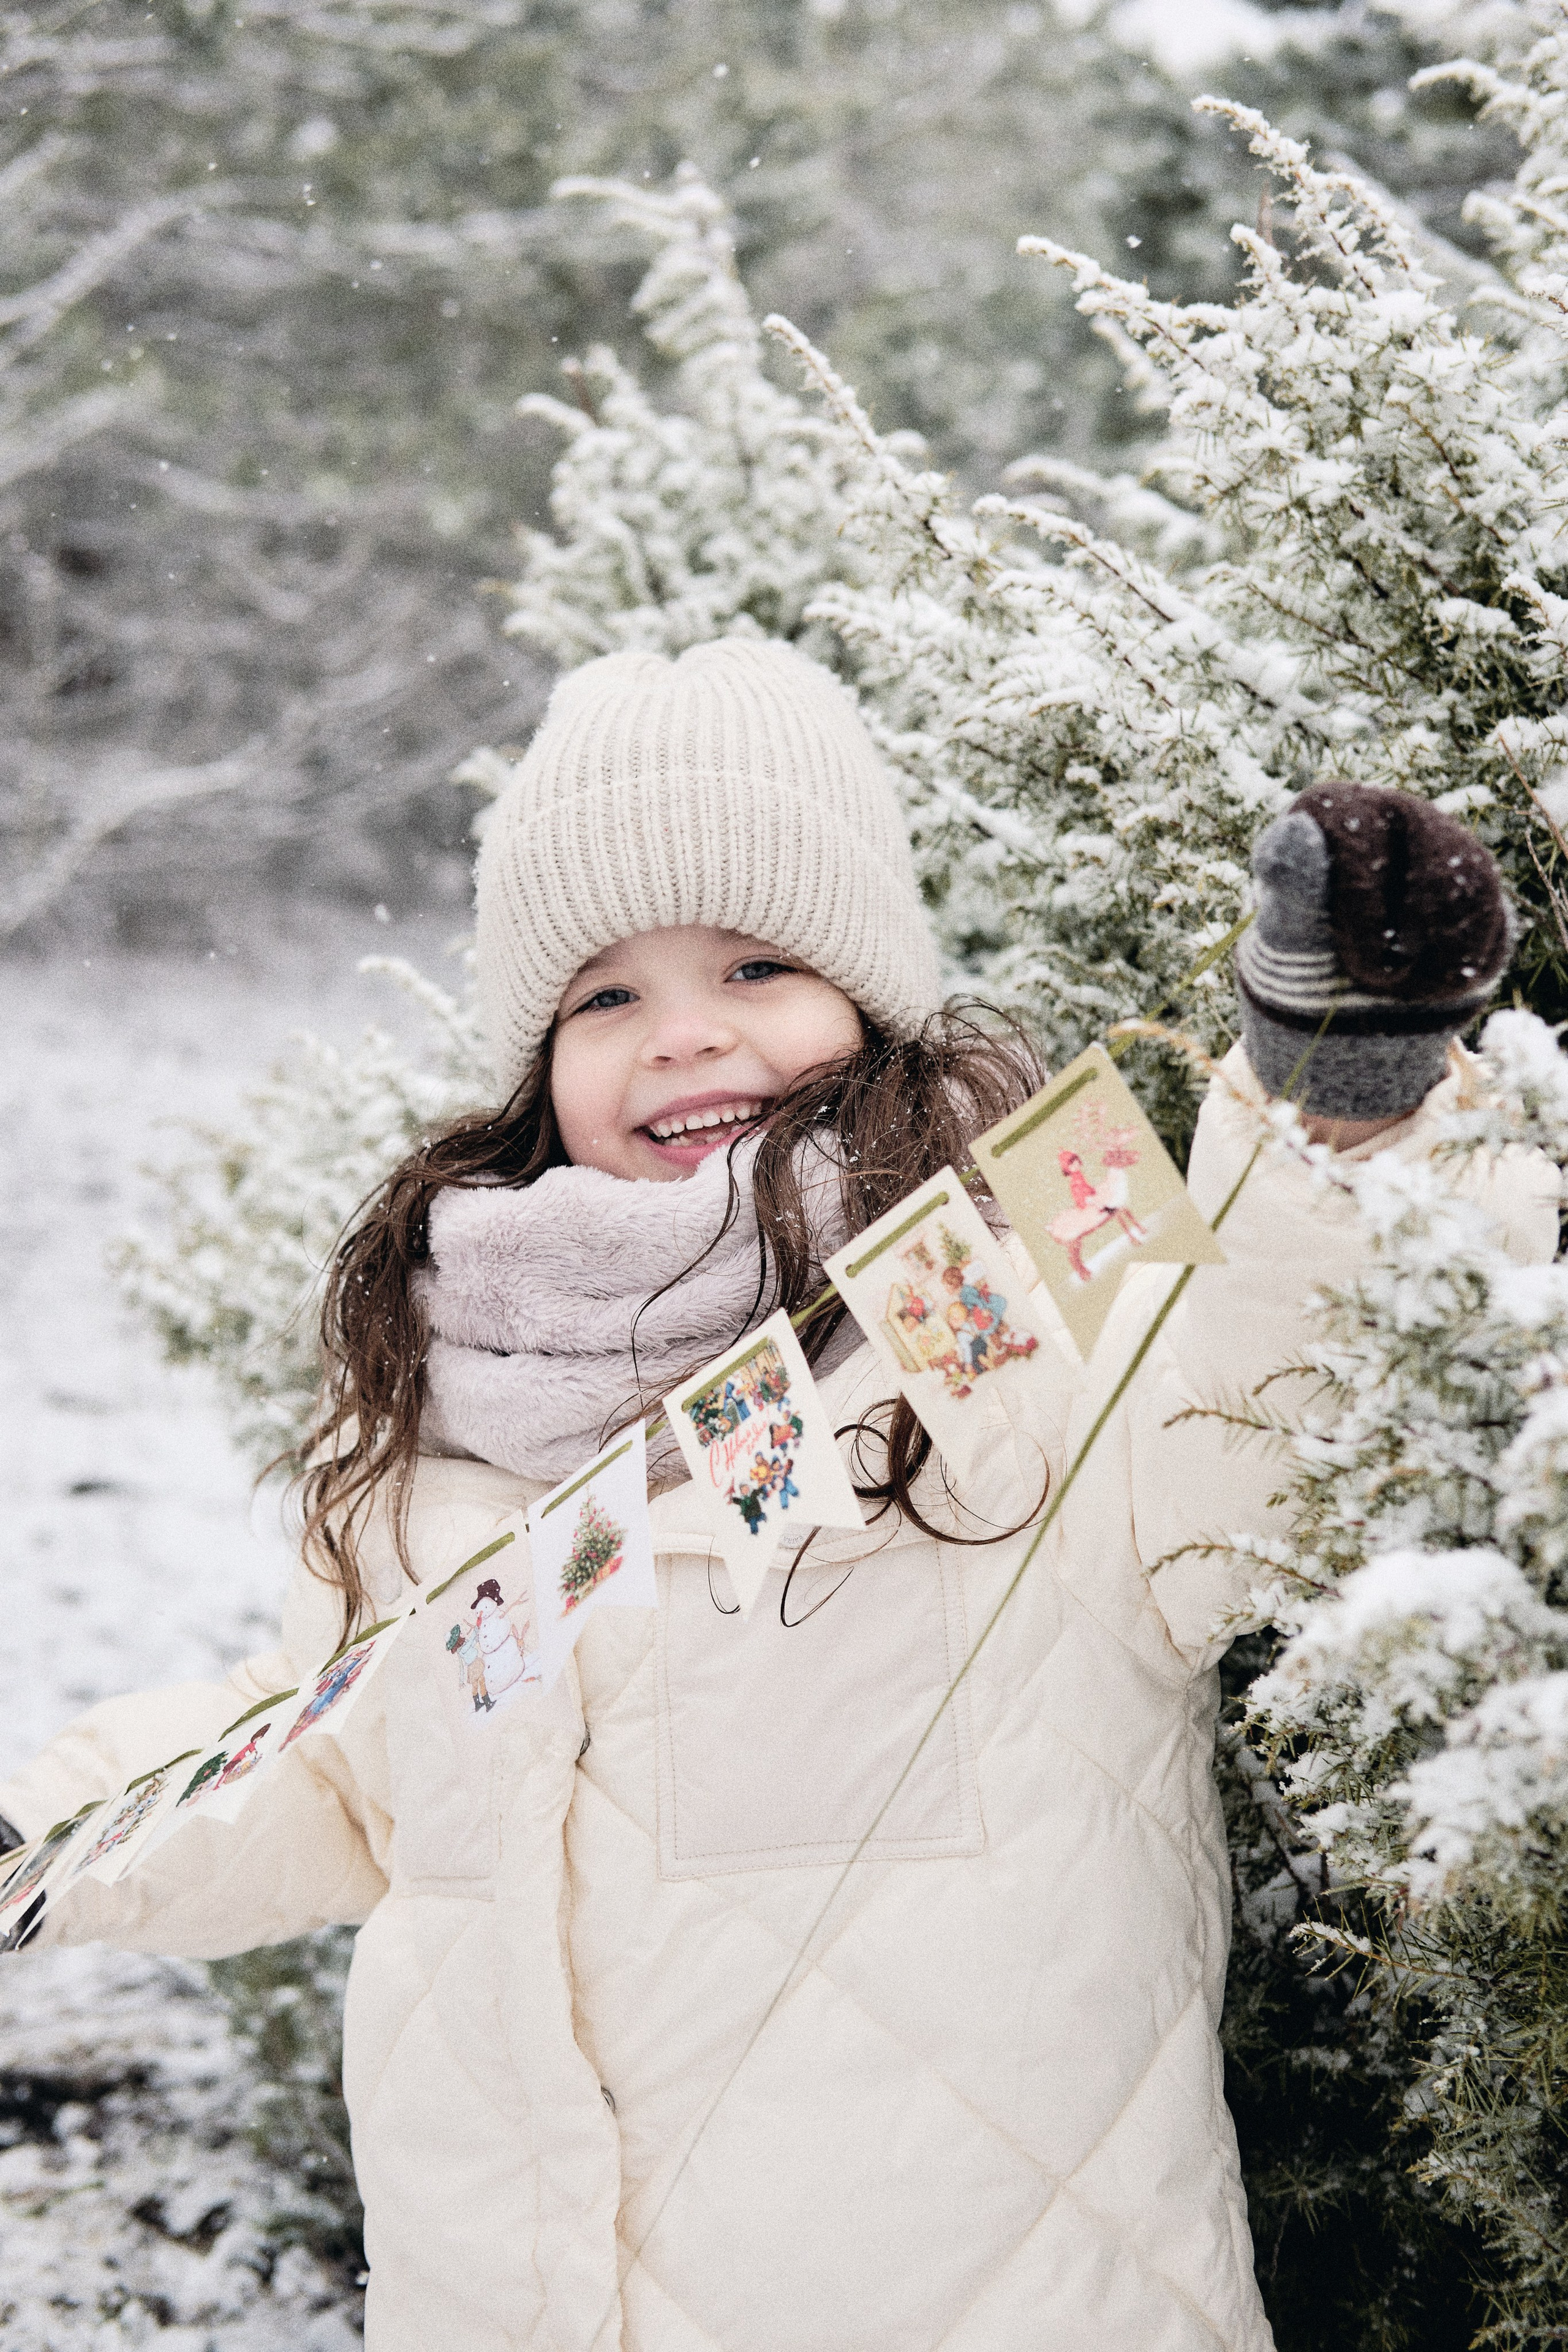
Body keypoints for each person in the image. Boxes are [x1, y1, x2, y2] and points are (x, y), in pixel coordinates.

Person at [0, 644, 1554, 2352]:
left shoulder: (1038, 1290)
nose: (686, 1033)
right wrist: (55, 1840)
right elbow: (339, 1764)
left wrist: (1343, 1107)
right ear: (536, 1058)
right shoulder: (448, 1413)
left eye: (756, 960)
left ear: (869, 990)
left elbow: (1280, 1406)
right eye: (604, 995)